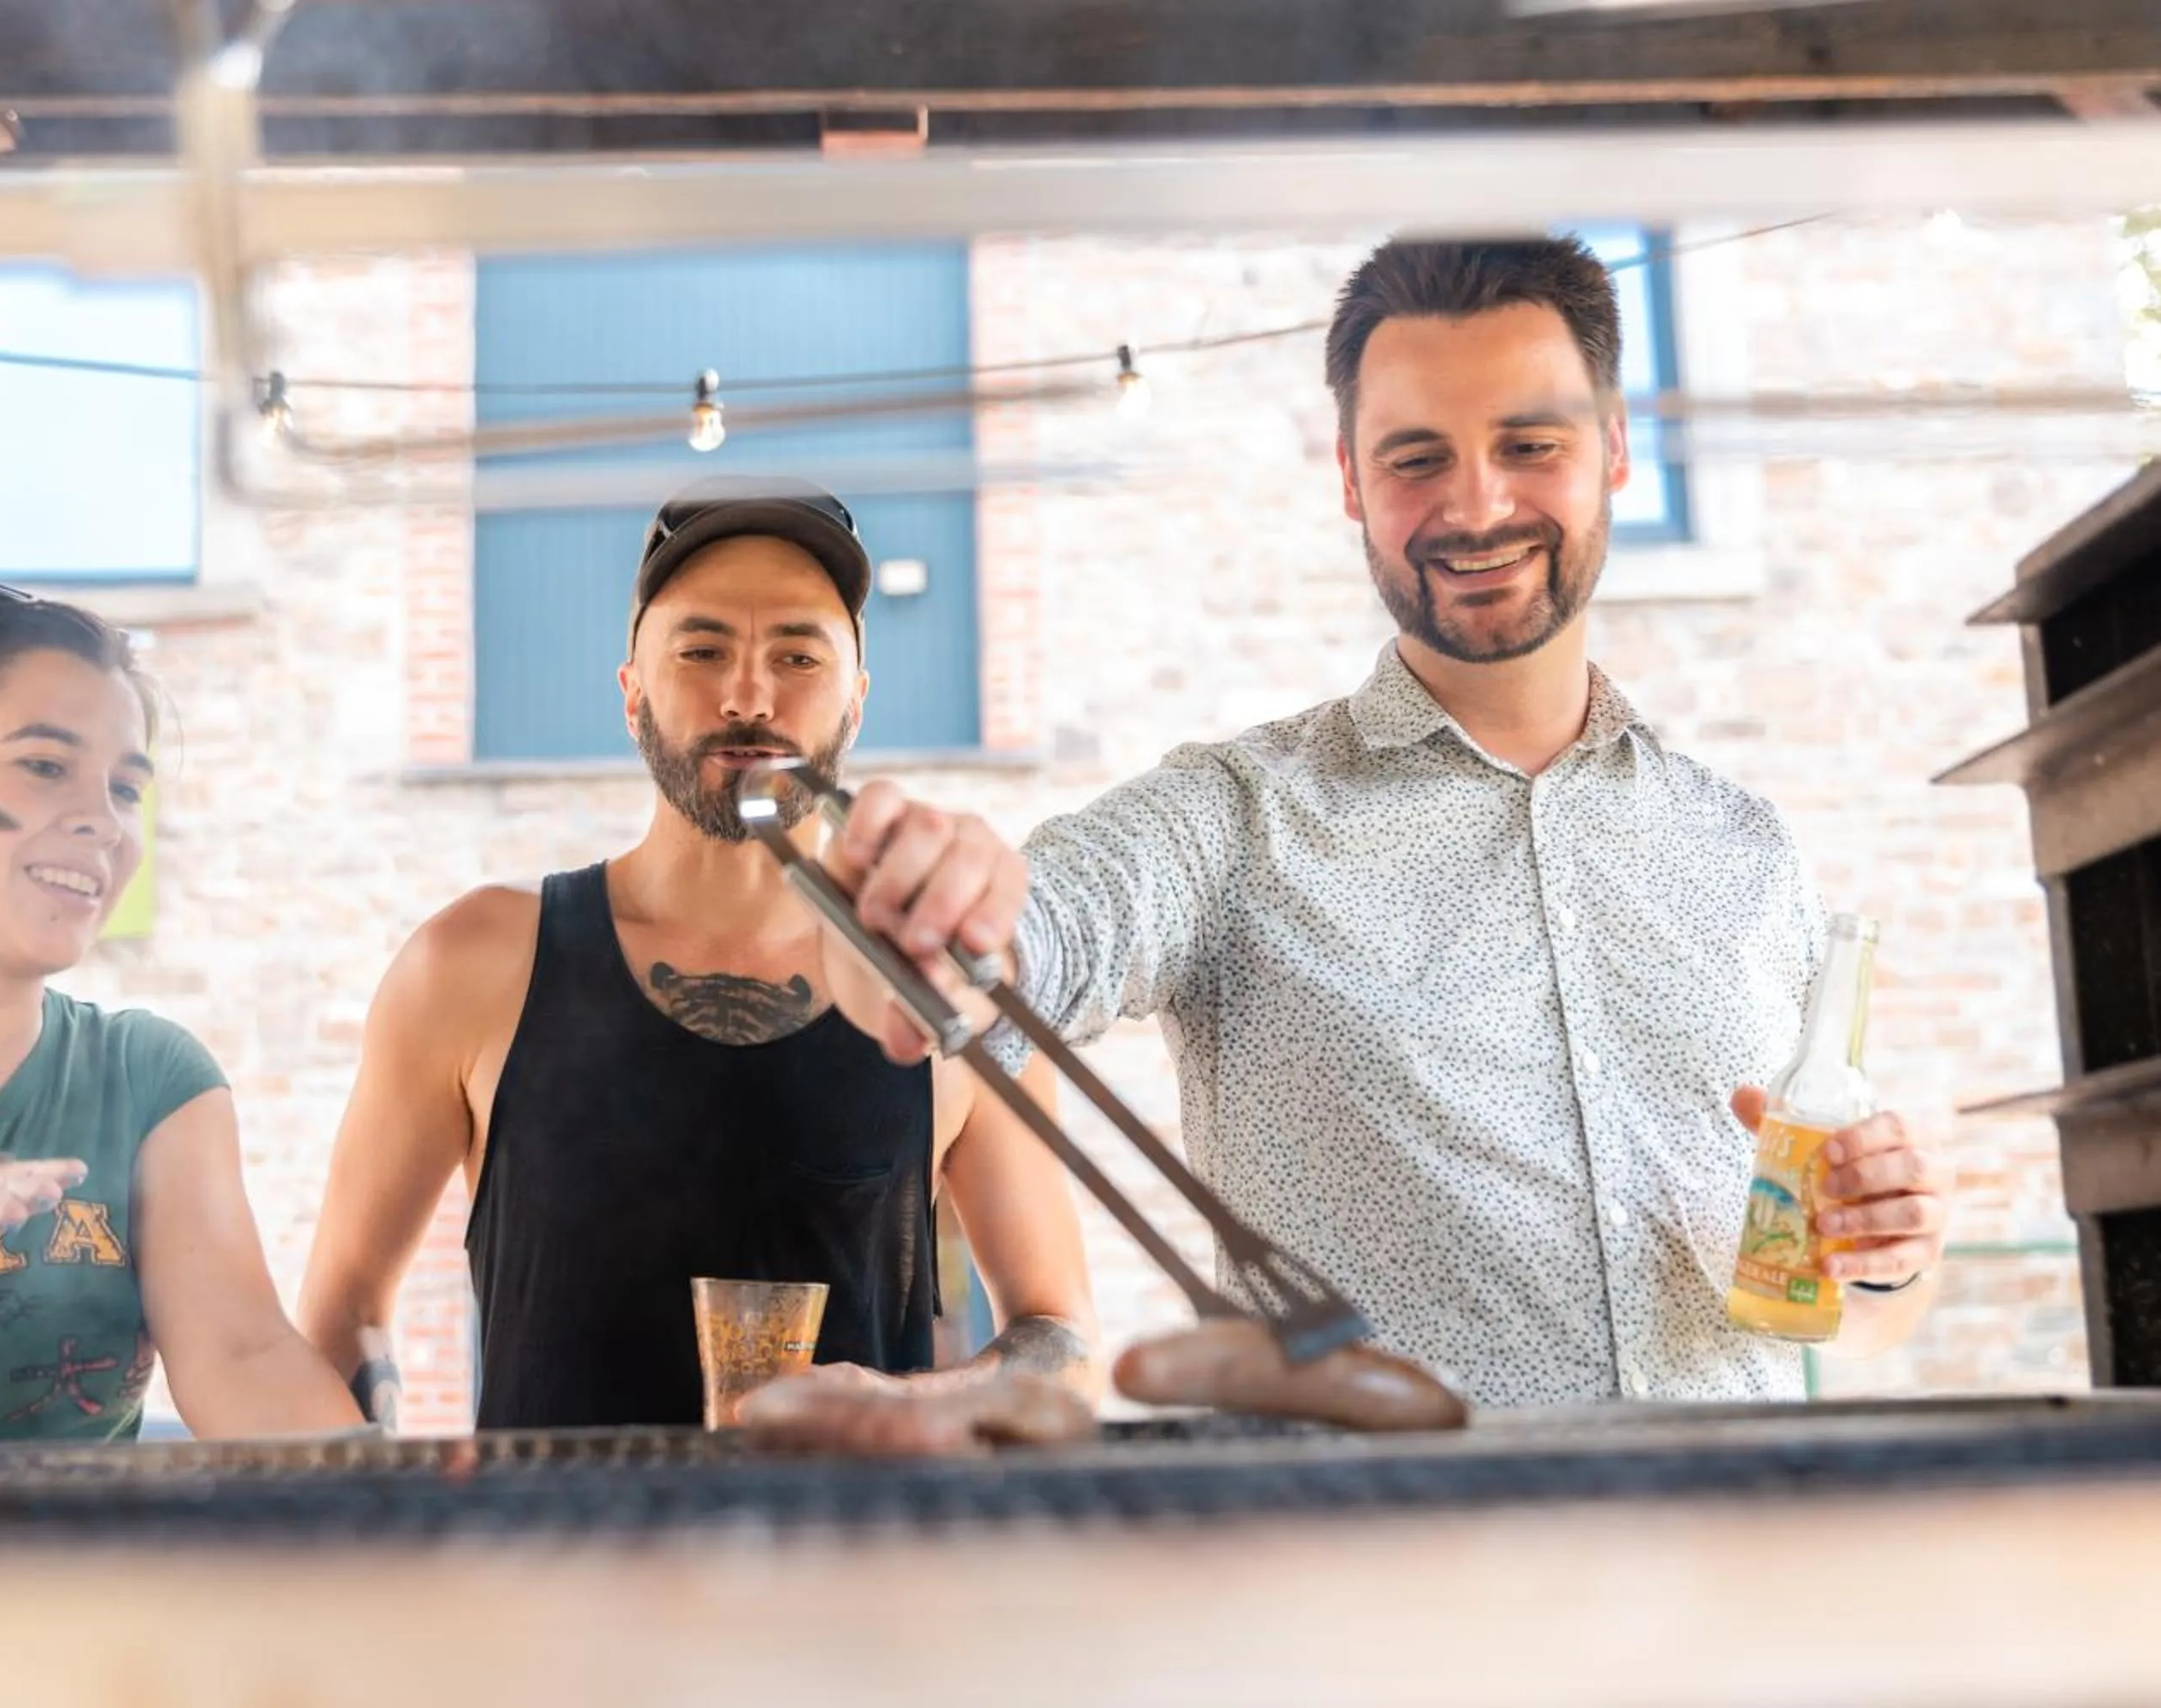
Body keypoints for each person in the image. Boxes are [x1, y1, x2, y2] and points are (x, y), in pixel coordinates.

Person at [811, 237, 1953, 1411]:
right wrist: (926, 908)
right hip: (1384, 1578)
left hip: (1742, 1561)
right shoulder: (1232, 822)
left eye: (1529, 445)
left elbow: (1845, 1298)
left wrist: (1885, 1261)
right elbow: (1005, 953)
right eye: (1417, 458)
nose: (1475, 505)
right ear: (1352, 482)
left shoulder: (1746, 853)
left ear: (1614, 451)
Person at [299, 477, 1098, 1432]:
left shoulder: (946, 983)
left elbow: (1063, 1341)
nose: (749, 695)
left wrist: (903, 1401)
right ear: (632, 691)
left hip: (859, 1570)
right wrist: (381, 1523)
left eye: (798, 654)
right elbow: (342, 1316)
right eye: (702, 649)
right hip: (545, 1572)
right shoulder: (469, 962)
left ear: (856, 701)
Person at [0, 576, 364, 1442]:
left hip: (84, 1577)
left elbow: (242, 1352)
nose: (104, 824)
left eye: (125, 788)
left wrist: (403, 1509)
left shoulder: (151, 1080)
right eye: (45, 765)